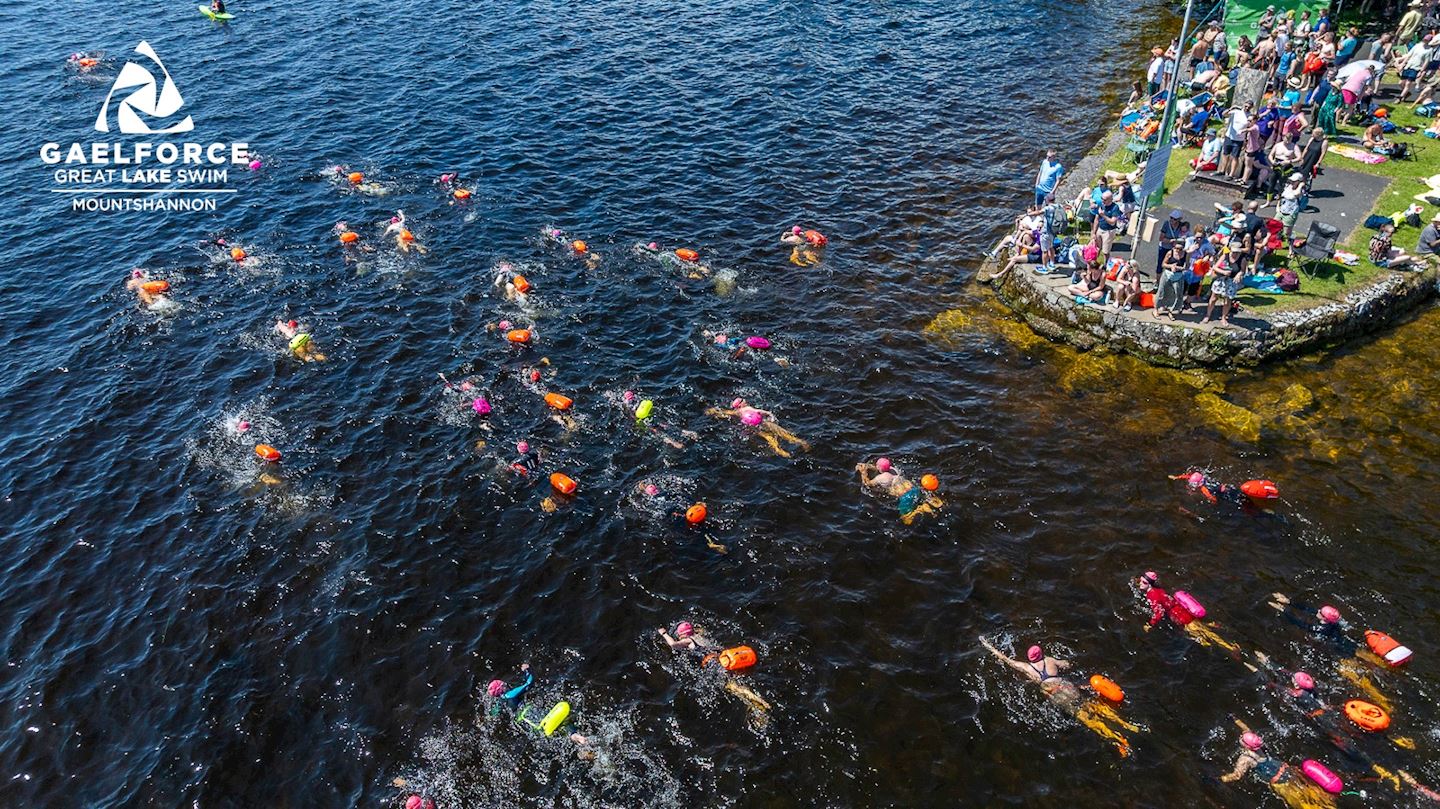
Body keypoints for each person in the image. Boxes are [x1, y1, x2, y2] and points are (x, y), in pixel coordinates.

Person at [978, 638, 1140, 757]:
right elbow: (1067, 665)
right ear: (1041, 654)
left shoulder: (1027, 668)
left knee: (1087, 718)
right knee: (1091, 705)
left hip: (1055, 694)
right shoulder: (1050, 660)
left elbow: (1006, 660)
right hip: (1066, 686)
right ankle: (1128, 725)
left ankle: (1120, 741)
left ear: (1029, 658)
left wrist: (988, 645)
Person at [1220, 725, 1336, 808]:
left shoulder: (1245, 759)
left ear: (1247, 746)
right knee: (1316, 794)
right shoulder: (1259, 744)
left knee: (1303, 804)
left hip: (1281, 783)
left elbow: (1237, 776)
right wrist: (1236, 720)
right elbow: (1247, 730)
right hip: (1289, 772)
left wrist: (1221, 778)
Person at [1136, 571, 1241, 652]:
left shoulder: (1151, 595)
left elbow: (1159, 613)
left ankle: (1230, 648)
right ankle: (1211, 624)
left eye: (1144, 582)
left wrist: (1150, 624)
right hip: (1182, 611)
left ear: (1150, 584)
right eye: (1140, 581)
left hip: (1182, 619)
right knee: (1201, 628)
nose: (1141, 584)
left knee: (1205, 638)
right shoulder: (1158, 589)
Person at [706, 398, 809, 458]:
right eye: (743, 399)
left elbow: (725, 413)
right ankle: (800, 442)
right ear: (741, 404)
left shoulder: (737, 412)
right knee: (783, 433)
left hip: (753, 427)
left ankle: (779, 450)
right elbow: (760, 411)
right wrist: (770, 415)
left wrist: (712, 411)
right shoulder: (747, 408)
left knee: (769, 438)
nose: (745, 400)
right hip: (763, 422)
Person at [855, 459, 943, 524]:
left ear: (879, 468)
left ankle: (921, 508)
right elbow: (881, 468)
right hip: (914, 489)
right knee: (920, 500)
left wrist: (863, 472)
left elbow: (867, 483)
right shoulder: (893, 470)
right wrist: (867, 466)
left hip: (905, 497)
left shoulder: (881, 478)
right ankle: (927, 503)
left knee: (906, 520)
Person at [1202, 250, 1238, 326]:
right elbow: (1215, 267)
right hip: (1221, 278)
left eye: (1237, 252)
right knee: (1214, 298)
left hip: (1231, 281)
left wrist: (1239, 274)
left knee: (1227, 300)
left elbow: (1243, 270)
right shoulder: (1225, 256)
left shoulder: (1242, 259)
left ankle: (1224, 318)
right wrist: (1223, 272)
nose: (1235, 253)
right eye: (1234, 251)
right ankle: (1208, 315)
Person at [1155, 242, 1189, 319]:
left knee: (1176, 294)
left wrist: (1181, 268)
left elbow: (1186, 266)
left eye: (1180, 249)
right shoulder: (1170, 253)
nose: (1178, 251)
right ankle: (1156, 309)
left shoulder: (1185, 254)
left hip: (1178, 275)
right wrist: (1171, 266)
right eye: (1177, 248)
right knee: (1162, 292)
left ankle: (1170, 311)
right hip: (1168, 274)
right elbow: (1163, 264)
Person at [1220, 102, 1253, 179]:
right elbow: (1224, 114)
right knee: (1225, 154)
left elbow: (1250, 127)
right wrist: (1231, 108)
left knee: (1235, 157)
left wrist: (1246, 140)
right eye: (1246, 106)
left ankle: (1231, 174)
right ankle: (1222, 170)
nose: (1247, 108)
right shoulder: (1236, 112)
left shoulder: (1250, 116)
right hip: (1229, 136)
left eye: (1249, 107)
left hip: (1239, 139)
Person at [1091, 191, 1122, 264]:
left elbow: (1112, 222)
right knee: (1097, 248)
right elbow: (1096, 219)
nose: (1102, 201)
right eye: (1102, 198)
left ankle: (1106, 265)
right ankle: (1093, 264)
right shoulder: (1101, 205)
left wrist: (1103, 215)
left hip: (1109, 231)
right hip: (1100, 229)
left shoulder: (1115, 207)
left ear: (1110, 199)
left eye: (1104, 199)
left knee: (1105, 251)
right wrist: (1093, 232)